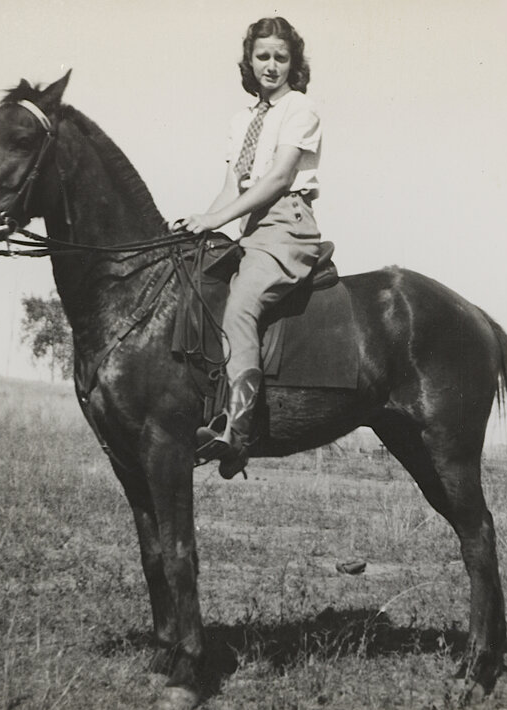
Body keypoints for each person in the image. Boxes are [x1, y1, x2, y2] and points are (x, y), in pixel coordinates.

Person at [177, 16, 324, 478]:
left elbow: (279, 178)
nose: (271, 65)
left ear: (293, 64)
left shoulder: (300, 109)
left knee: (240, 304)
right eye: (263, 56)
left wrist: (217, 220)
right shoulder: (242, 121)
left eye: (281, 57)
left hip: (286, 227)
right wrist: (196, 228)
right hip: (250, 226)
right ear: (250, 61)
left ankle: (237, 432)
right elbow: (231, 189)